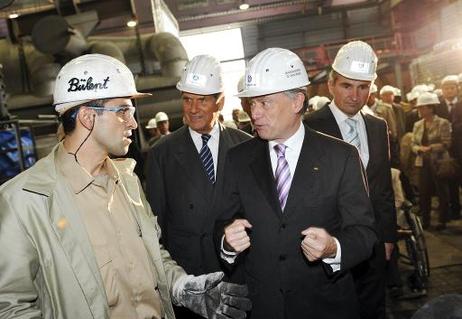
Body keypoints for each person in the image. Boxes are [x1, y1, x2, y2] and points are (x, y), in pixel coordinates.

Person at [0, 54, 251, 319]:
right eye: (122, 111)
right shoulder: (25, 201)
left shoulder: (127, 182)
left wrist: (180, 287)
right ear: (87, 117)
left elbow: (153, 256)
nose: (133, 122)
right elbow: (9, 306)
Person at [218, 47, 377, 319]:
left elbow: (364, 233)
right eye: (251, 103)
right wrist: (226, 243)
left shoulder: (341, 157)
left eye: (264, 103)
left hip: (326, 306)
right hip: (263, 308)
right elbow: (221, 222)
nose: (254, 114)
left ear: (296, 102)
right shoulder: (237, 159)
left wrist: (332, 248)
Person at [145, 54, 251, 318]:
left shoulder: (246, 146)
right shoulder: (162, 154)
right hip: (190, 283)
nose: (192, 109)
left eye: (202, 100)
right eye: (187, 99)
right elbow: (156, 227)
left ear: (220, 101)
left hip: (238, 275)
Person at [305, 40, 397, 319]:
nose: (355, 96)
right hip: (329, 242)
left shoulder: (378, 127)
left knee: (373, 308)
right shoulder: (309, 126)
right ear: (331, 85)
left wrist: (388, 236)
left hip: (372, 242)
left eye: (363, 87)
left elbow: (383, 188)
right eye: (347, 85)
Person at [411, 92, 451, 230]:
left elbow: (447, 143)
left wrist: (430, 148)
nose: (419, 110)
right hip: (422, 162)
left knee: (442, 191)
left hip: (438, 162)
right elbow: (413, 143)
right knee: (424, 192)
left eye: (422, 107)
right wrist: (418, 149)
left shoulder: (442, 123)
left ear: (431, 108)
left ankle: (443, 219)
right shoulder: (417, 125)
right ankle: (425, 220)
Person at [436, 75, 462, 220]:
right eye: (446, 88)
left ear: (457, 89)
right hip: (446, 151)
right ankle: (455, 209)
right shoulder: (438, 106)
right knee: (450, 180)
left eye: (452, 87)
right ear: (442, 90)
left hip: (461, 148)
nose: (449, 91)